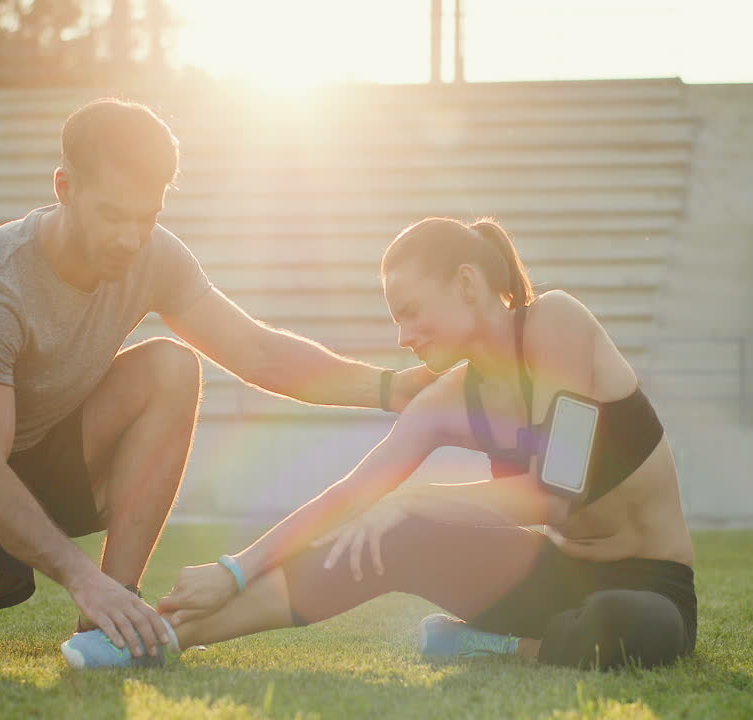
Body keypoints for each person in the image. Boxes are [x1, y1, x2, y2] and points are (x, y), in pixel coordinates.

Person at [0, 98, 436, 662]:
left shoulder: (152, 253)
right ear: (64, 187)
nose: (131, 237)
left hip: (45, 452)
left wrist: (390, 389)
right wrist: (80, 576)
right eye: (113, 214)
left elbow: (257, 352)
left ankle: (112, 612)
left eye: (147, 217)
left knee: (172, 366)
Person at [134, 216, 697, 671]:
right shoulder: (444, 401)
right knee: (390, 534)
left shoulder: (556, 323)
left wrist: (414, 500)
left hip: (652, 589)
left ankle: (499, 647)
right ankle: (166, 636)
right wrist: (233, 570)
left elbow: (554, 496)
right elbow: (350, 495)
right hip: (552, 580)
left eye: (410, 312)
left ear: (467, 285)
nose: (403, 337)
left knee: (625, 625)